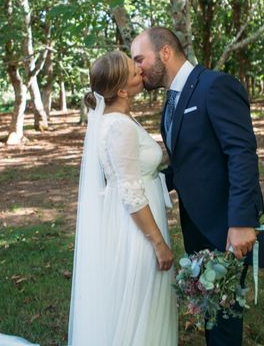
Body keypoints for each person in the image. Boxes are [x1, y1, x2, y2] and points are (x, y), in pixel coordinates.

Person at [131, 28, 264, 346]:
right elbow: (185, 165)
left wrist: (241, 222)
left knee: (224, 315)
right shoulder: (171, 101)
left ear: (165, 53)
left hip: (226, 225)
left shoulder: (215, 86)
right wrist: (136, 187)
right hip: (197, 227)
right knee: (214, 308)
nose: (136, 68)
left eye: (140, 59)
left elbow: (241, 153)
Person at [68, 51, 178, 346]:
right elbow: (130, 192)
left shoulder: (120, 119)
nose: (141, 72)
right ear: (120, 90)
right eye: (134, 72)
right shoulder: (118, 126)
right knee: (141, 304)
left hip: (139, 219)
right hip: (138, 230)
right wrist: (158, 243)